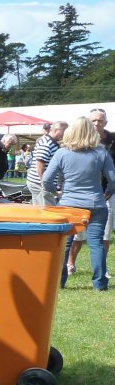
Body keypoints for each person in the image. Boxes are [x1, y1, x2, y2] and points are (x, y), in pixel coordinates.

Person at [43, 116, 115, 291]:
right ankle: (99, 284)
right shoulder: (101, 153)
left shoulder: (62, 153)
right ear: (92, 133)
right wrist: (107, 194)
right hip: (96, 203)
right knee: (96, 244)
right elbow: (112, 180)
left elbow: (46, 180)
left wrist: (57, 192)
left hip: (69, 205)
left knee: (64, 245)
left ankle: (60, 282)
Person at [68, 108, 115, 274]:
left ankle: (102, 268)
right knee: (77, 234)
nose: (97, 124)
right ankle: (71, 263)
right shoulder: (79, 140)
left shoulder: (112, 139)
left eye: (100, 121)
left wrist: (110, 190)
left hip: (106, 192)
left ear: (106, 123)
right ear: (88, 122)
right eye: (94, 120)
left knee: (105, 233)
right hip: (80, 193)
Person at [27, 121, 67, 205]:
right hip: (39, 183)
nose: (65, 135)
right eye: (64, 132)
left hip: (40, 183)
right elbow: (40, 164)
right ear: (57, 130)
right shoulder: (47, 143)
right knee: (47, 211)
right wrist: (44, 182)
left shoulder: (50, 142)